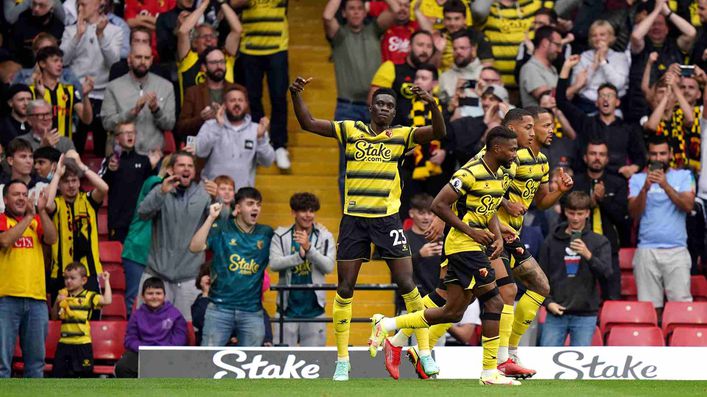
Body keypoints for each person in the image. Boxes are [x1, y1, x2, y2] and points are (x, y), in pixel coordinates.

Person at [290, 76, 445, 381]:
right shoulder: (350, 130)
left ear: (394, 111)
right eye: (381, 104)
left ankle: (424, 352)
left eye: (390, 105)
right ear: (371, 107)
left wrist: (431, 104)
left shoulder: (402, 135)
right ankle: (343, 361)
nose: (385, 108)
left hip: (387, 220)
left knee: (408, 284)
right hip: (354, 221)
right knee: (345, 288)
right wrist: (295, 94)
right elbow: (307, 123)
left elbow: (440, 132)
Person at [369, 126, 519, 386]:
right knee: (494, 303)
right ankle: (489, 372)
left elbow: (490, 208)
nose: (516, 154)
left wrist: (495, 235)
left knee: (452, 311)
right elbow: (438, 204)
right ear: (497, 148)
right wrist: (472, 232)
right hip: (463, 245)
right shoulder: (469, 172)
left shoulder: (501, 173)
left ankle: (390, 327)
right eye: (513, 149)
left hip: (475, 245)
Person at [189, 188, 273, 347]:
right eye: (250, 204)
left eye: (258, 205)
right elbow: (195, 246)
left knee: (252, 366)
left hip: (252, 312)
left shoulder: (266, 233)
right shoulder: (222, 228)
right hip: (220, 309)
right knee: (208, 362)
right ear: (238, 208)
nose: (256, 208)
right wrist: (211, 218)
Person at [137, 151, 211, 320]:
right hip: (157, 276)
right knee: (150, 329)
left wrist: (220, 200)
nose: (186, 169)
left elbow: (221, 222)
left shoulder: (204, 194)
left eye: (190, 166)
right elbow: (142, 213)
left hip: (190, 279)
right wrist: (161, 192)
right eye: (182, 165)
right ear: (171, 170)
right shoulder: (159, 189)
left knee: (188, 334)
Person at [628, 136, 695, 320]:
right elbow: (633, 213)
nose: (658, 158)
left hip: (676, 250)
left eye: (662, 153)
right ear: (648, 156)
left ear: (671, 154)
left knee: (680, 307)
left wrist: (665, 185)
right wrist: (645, 189)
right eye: (654, 154)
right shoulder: (637, 179)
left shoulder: (684, 176)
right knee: (650, 309)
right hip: (646, 251)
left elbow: (688, 206)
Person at [539, 191, 612, 346]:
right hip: (555, 313)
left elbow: (606, 274)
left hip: (585, 315)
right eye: (571, 213)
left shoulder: (599, 242)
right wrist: (548, 302)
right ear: (565, 211)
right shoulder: (551, 241)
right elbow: (539, 277)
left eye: (580, 213)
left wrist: (588, 255)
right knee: (546, 362)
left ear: (587, 213)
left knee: (580, 366)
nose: (575, 218)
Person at [0, 180, 56, 378]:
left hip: (36, 300)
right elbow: (5, 241)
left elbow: (51, 238)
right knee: (2, 365)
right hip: (5, 299)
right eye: (16, 194)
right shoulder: (2, 220)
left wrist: (40, 212)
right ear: (5, 199)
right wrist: (29, 216)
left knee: (35, 366)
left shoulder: (36, 221)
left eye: (24, 194)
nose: (21, 198)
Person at [558, 55, 646, 179]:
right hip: (587, 180)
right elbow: (561, 101)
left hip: (617, 181)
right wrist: (566, 67)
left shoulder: (628, 129)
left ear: (617, 102)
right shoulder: (586, 123)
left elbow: (641, 158)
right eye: (602, 96)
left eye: (610, 96)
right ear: (596, 102)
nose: (606, 98)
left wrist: (633, 168)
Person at [270, 192, 335, 347]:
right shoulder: (280, 235)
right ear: (293, 212)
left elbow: (328, 266)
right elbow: (274, 264)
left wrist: (309, 249)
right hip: (286, 311)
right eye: (303, 211)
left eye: (312, 211)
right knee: (282, 364)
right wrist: (298, 257)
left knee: (314, 364)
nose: (308, 215)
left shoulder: (325, 236)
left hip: (315, 312)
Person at [232, 0, 291, 171]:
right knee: (252, 98)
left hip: (277, 47)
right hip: (249, 47)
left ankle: (280, 145)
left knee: (279, 97)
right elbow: (234, 3)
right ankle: (261, 140)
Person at [60, 0, 124, 155]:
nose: (79, 8)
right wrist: (78, 35)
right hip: (76, 95)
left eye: (83, 4)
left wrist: (101, 36)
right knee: (75, 148)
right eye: (78, 5)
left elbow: (114, 63)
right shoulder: (70, 30)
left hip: (103, 95)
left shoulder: (114, 30)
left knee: (101, 150)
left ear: (97, 5)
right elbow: (62, 60)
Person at [46, 151, 109, 300]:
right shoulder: (57, 203)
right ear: (60, 185)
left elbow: (104, 188)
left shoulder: (88, 200)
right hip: (61, 273)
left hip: (88, 272)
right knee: (62, 320)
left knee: (91, 321)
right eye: (66, 181)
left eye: (74, 180)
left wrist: (81, 166)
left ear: (79, 182)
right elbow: (47, 205)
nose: (71, 185)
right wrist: (56, 175)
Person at [572, 141, 630, 300]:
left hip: (608, 249)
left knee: (612, 298)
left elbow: (622, 218)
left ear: (607, 159)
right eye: (593, 153)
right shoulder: (574, 183)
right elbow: (567, 214)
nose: (597, 158)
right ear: (585, 157)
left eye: (601, 154)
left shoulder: (618, 183)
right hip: (578, 247)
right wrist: (591, 201)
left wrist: (603, 199)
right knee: (578, 298)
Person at [627, 0, 696, 121]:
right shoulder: (640, 47)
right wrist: (657, 10)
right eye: (652, 24)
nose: (656, 27)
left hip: (671, 109)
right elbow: (636, 36)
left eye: (660, 24)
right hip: (640, 108)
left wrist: (667, 12)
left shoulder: (675, 45)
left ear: (667, 29)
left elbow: (691, 33)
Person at [194, 85, 275, 190]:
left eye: (240, 100)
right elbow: (200, 151)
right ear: (225, 105)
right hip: (212, 193)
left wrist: (261, 139)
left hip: (241, 197)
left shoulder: (256, 129)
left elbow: (268, 162)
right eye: (232, 100)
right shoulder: (211, 125)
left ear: (246, 104)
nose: (237, 104)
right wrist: (218, 127)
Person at [101, 43, 176, 156]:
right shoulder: (113, 87)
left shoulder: (166, 86)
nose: (142, 62)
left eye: (146, 58)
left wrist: (156, 110)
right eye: (138, 57)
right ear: (129, 60)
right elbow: (107, 124)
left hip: (153, 157)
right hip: (121, 157)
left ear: (151, 60)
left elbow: (170, 125)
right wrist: (132, 113)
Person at [120, 155, 171, 318]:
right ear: (170, 169)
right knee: (134, 300)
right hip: (138, 250)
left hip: (155, 254)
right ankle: (130, 337)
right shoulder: (154, 182)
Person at [114, 277, 188, 378]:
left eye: (158, 293)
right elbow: (130, 339)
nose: (154, 297)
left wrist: (162, 350)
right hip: (142, 353)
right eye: (150, 293)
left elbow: (180, 339)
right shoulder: (137, 315)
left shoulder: (175, 314)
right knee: (122, 367)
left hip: (167, 354)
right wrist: (146, 349)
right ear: (143, 297)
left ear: (164, 296)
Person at [99, 122, 160, 242]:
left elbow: (154, 188)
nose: (130, 136)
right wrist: (110, 170)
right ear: (117, 138)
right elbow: (100, 186)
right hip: (118, 222)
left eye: (132, 132)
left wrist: (154, 168)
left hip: (139, 221)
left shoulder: (145, 161)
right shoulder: (110, 161)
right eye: (126, 133)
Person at [51, 263, 111, 378]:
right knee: (58, 377)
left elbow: (107, 300)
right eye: (66, 278)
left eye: (72, 278)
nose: (68, 281)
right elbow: (54, 317)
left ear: (83, 280)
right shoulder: (62, 295)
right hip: (64, 343)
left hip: (82, 344)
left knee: (85, 376)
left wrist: (106, 281)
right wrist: (56, 303)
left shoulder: (89, 296)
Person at [175, 0, 240, 106]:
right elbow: (183, 32)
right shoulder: (189, 60)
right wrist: (205, 3)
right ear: (195, 43)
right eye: (204, 37)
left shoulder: (225, 59)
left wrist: (222, 2)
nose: (209, 40)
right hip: (194, 119)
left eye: (212, 36)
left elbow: (237, 30)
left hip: (225, 119)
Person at [370, 30, 435, 126]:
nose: (425, 50)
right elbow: (373, 100)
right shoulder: (391, 67)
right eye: (420, 45)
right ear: (409, 47)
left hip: (426, 131)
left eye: (429, 46)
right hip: (394, 131)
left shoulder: (434, 73)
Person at [29, 46, 93, 140]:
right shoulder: (31, 91)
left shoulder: (70, 90)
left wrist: (86, 96)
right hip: (40, 145)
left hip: (65, 145)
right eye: (55, 61)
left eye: (61, 61)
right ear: (42, 63)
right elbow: (30, 120)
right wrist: (41, 95)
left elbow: (87, 120)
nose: (60, 64)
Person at [569, 20, 630, 113]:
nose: (598, 38)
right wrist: (594, 66)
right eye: (594, 35)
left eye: (602, 35)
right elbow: (577, 87)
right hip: (587, 105)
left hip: (614, 107)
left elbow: (618, 85)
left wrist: (603, 61)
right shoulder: (584, 57)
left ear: (611, 37)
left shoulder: (620, 57)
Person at [175, 47, 236, 138]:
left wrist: (226, 116)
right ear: (204, 67)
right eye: (214, 63)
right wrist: (201, 118)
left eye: (222, 62)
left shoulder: (237, 90)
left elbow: (246, 122)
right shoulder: (193, 92)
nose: (219, 66)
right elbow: (181, 128)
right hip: (201, 146)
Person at [438, 30, 484, 117]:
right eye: (455, 49)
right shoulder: (444, 77)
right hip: (452, 124)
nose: (458, 52)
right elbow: (442, 108)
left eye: (463, 48)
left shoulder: (485, 73)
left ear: (473, 49)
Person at [8, 0, 65, 68]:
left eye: (41, 5)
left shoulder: (58, 27)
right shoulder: (22, 24)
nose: (36, 9)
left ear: (51, 9)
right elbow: (12, 52)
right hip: (25, 70)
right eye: (34, 4)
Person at [518, 26, 562, 107]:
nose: (560, 50)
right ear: (545, 43)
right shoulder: (530, 68)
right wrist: (576, 86)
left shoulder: (552, 69)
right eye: (557, 45)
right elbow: (548, 100)